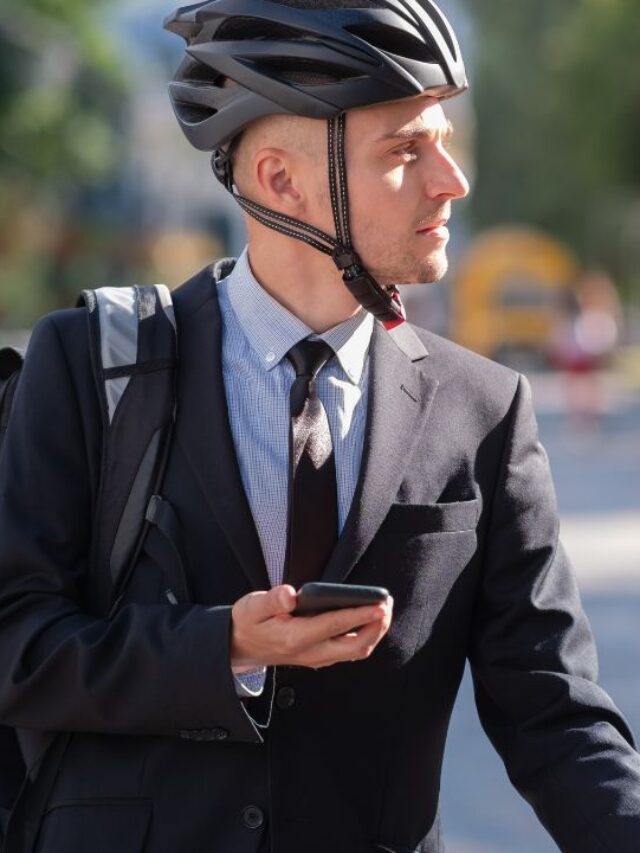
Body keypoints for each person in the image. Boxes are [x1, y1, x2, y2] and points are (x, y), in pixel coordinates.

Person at [0, 1, 639, 851]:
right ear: (279, 180)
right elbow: (16, 642)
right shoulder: (87, 363)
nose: (452, 181)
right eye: (406, 151)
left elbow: (556, 715)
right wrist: (219, 645)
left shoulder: (484, 408)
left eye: (445, 141)